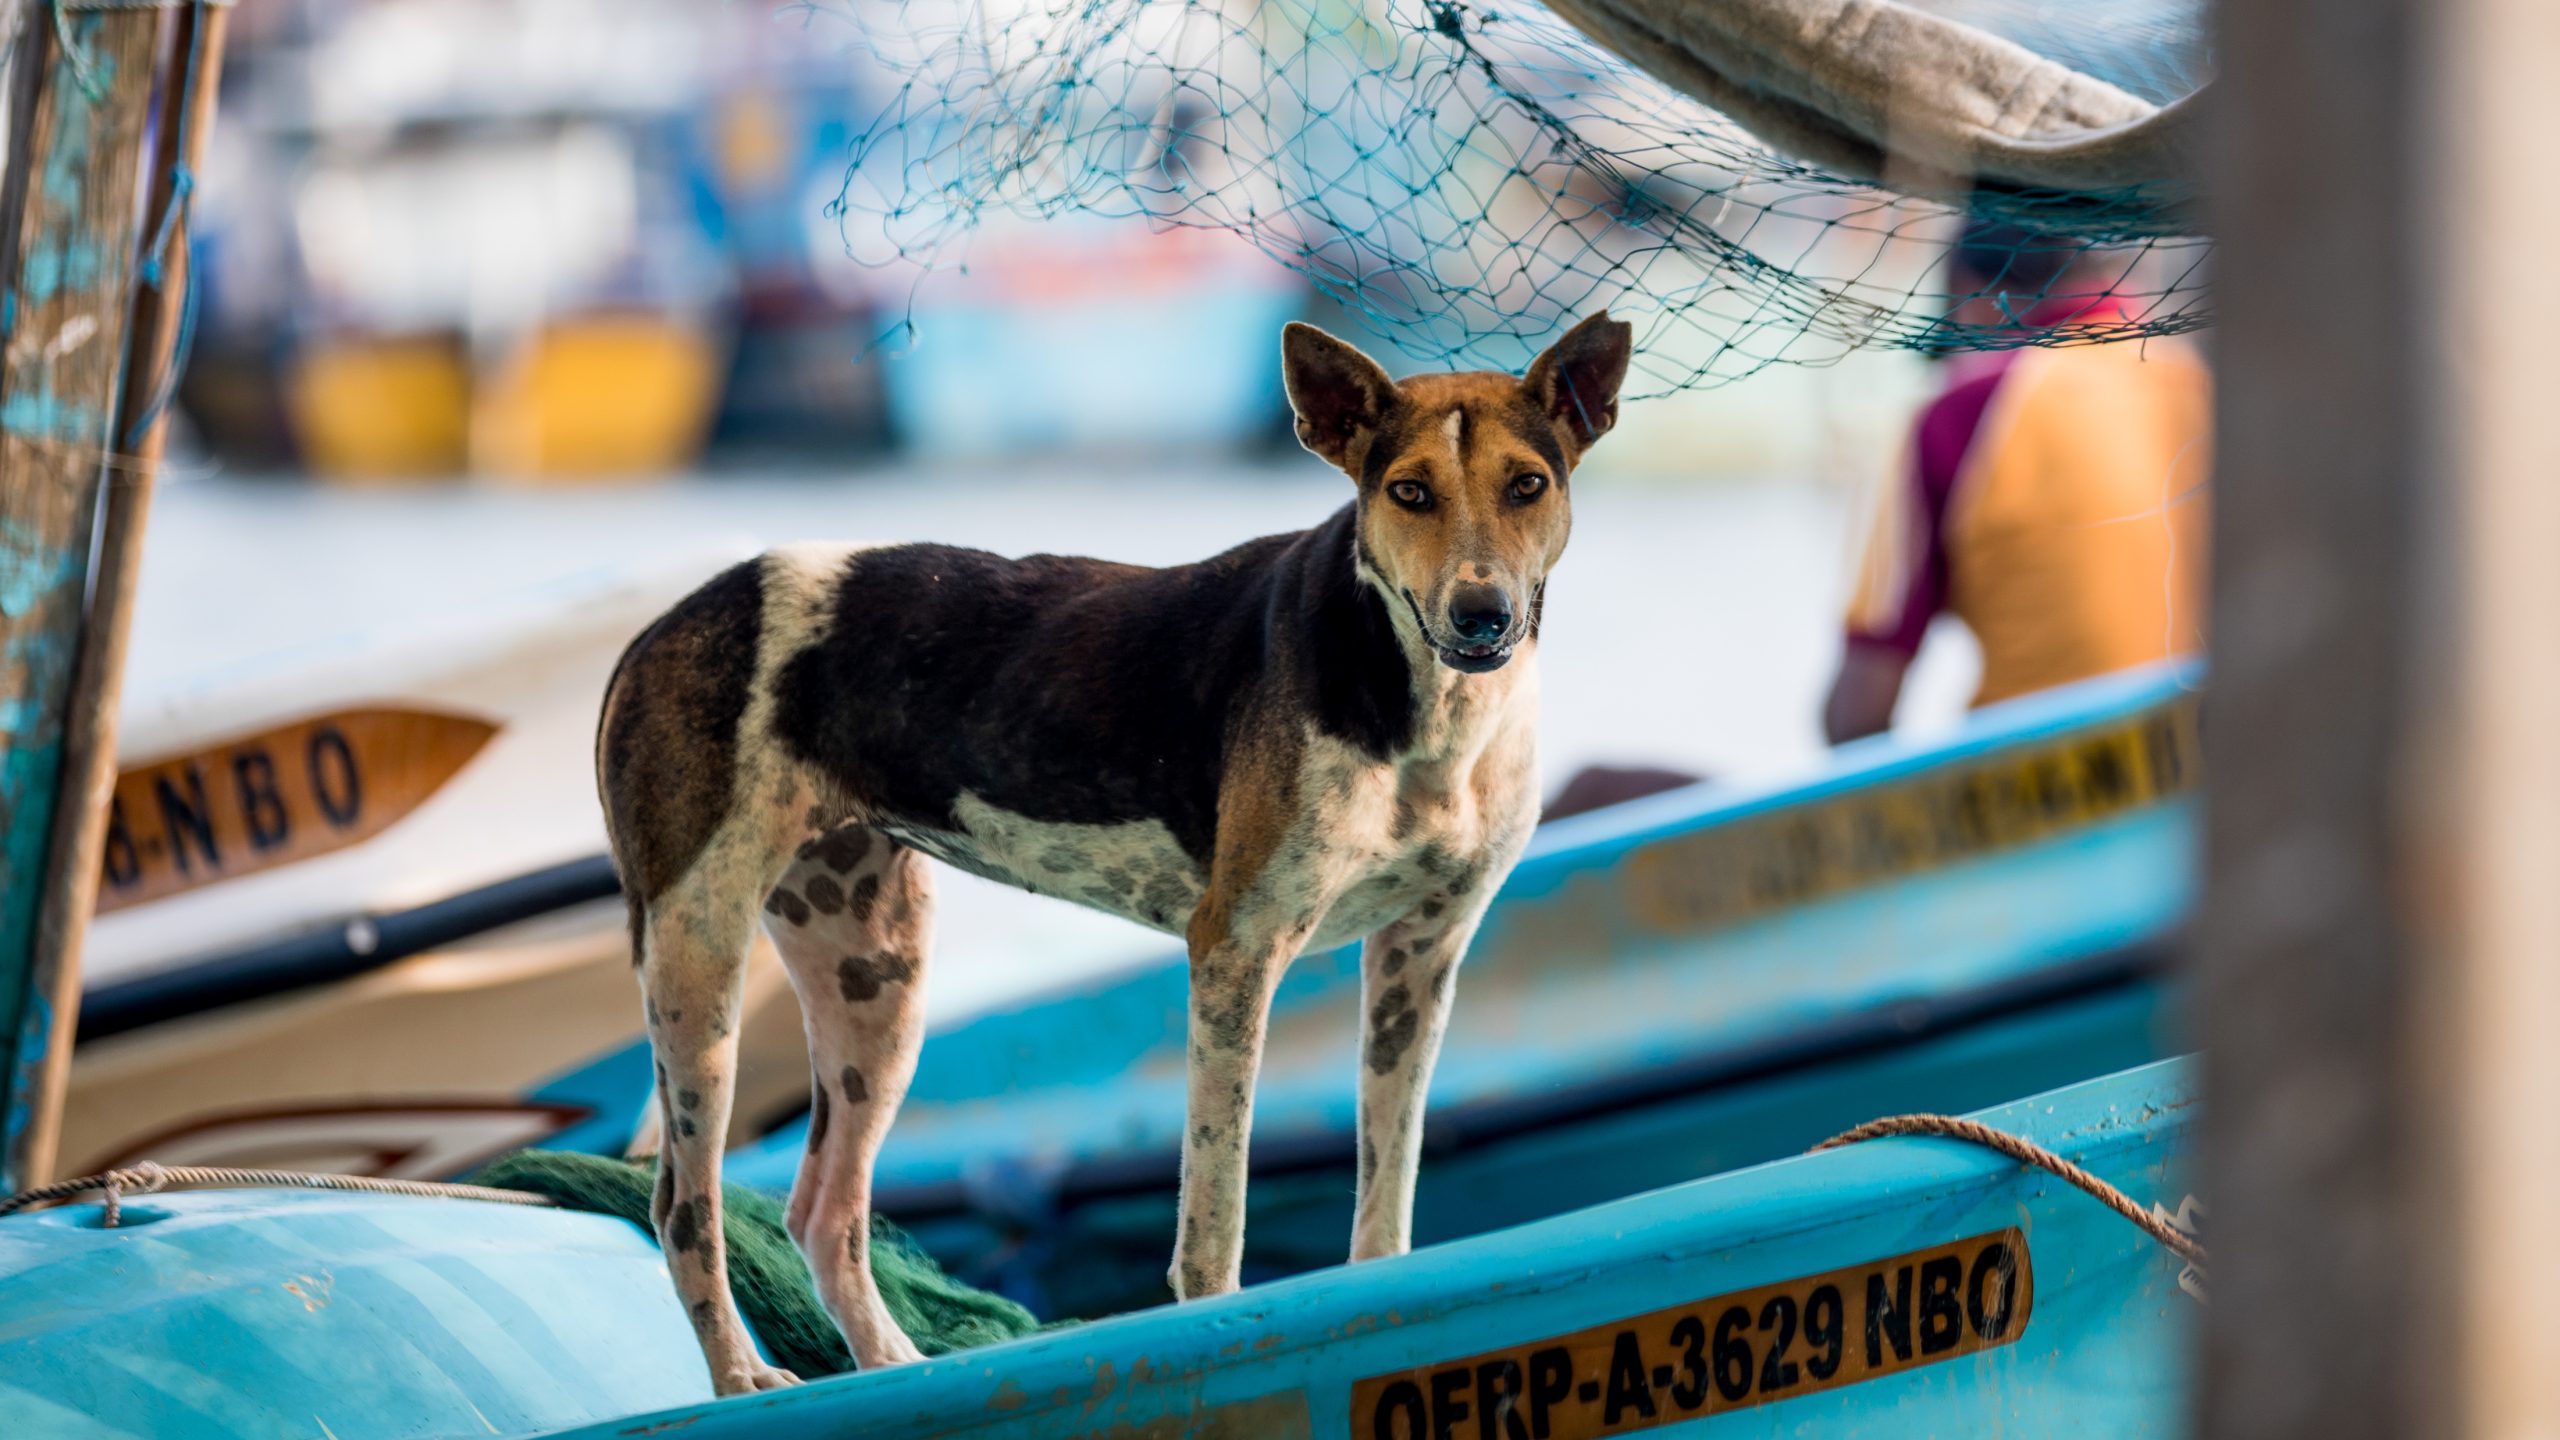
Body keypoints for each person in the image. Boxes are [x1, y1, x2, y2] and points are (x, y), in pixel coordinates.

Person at [1824, 221, 2212, 744]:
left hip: (2047, 784)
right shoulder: (2199, 381)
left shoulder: (1964, 409)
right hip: (2212, 757)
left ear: (1971, 295)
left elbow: (1859, 712)